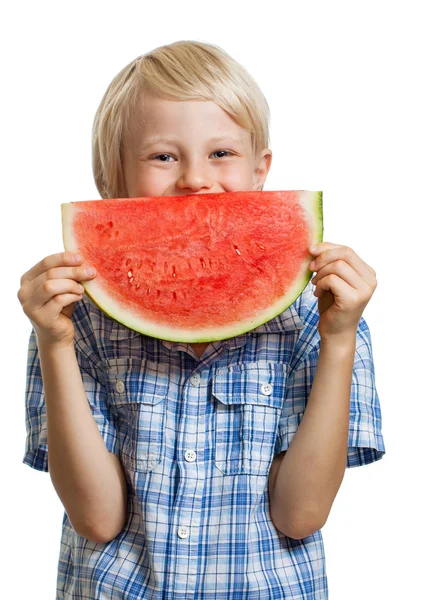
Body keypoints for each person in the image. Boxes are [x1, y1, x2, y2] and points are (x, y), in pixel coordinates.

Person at [18, 40, 385, 599]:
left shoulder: (323, 315)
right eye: (163, 156)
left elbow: (301, 514)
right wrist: (55, 343)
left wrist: (338, 343)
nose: (195, 180)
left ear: (262, 171)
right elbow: (98, 518)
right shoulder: (72, 319)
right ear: (109, 179)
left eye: (221, 154)